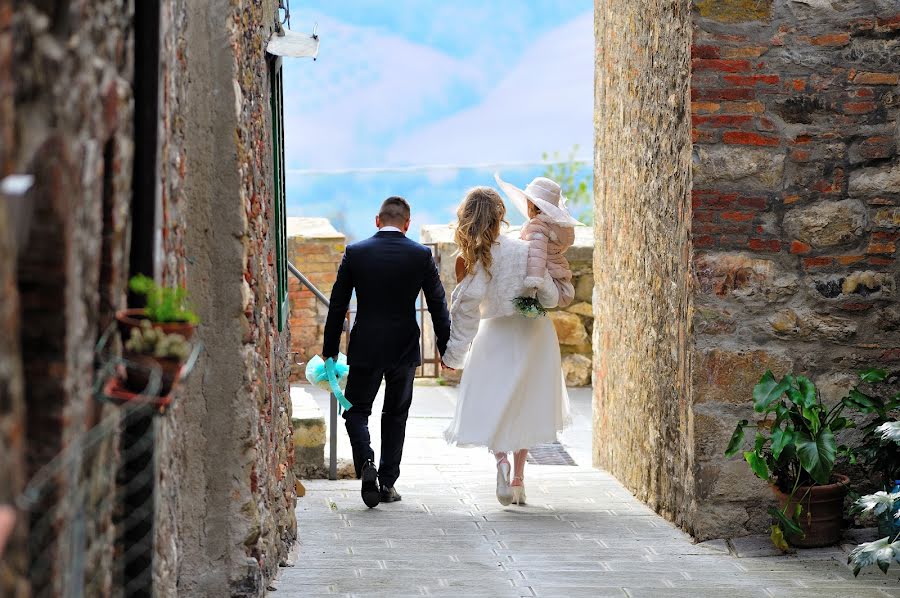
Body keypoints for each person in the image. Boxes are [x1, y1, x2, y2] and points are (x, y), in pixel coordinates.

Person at [442, 186, 570, 506]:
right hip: (534, 335)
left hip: (496, 334)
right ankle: (519, 480)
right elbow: (550, 298)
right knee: (524, 405)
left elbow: (467, 310)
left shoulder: (477, 257)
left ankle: (501, 461)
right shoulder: (529, 249)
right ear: (502, 216)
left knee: (494, 402)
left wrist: (453, 356)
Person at [323, 196, 451, 508]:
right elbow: (438, 305)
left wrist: (329, 352)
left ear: (377, 221)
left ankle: (366, 462)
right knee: (395, 416)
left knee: (356, 411)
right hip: (404, 347)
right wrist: (446, 349)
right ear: (407, 224)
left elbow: (338, 304)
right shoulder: (421, 255)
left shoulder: (356, 253)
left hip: (366, 344)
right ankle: (387, 483)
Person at [495, 173, 579, 308]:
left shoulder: (537, 226)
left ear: (532, 205)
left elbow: (536, 255)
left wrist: (534, 281)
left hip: (543, 274)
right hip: (557, 270)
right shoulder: (556, 226)